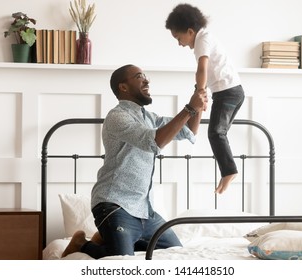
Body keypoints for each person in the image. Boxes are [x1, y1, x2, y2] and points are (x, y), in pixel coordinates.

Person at [62, 64, 207, 259]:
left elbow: (189, 128)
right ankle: (82, 245)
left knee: (177, 253)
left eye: (146, 76)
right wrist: (189, 108)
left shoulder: (150, 118)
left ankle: (114, 237)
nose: (147, 81)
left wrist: (198, 98)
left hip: (145, 211)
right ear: (123, 87)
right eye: (139, 77)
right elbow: (154, 141)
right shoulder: (117, 117)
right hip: (114, 205)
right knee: (121, 260)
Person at [165, 3, 245, 194]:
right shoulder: (204, 39)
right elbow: (209, 73)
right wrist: (201, 92)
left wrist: (201, 91)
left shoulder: (203, 39)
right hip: (229, 92)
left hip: (229, 92)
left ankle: (229, 171)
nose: (179, 43)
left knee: (215, 133)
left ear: (190, 31)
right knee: (219, 133)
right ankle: (229, 170)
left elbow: (202, 69)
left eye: (178, 38)